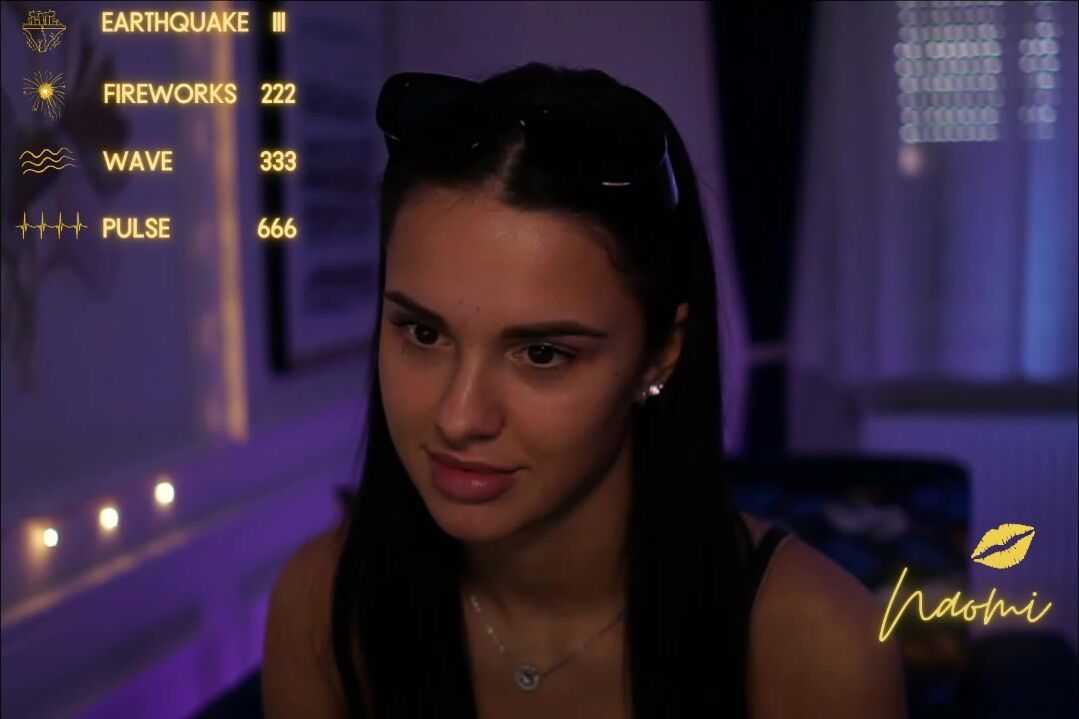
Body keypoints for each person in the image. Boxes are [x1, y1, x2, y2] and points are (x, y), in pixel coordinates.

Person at [262, 62, 907, 718]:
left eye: (542, 354)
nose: (459, 416)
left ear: (660, 354)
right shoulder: (325, 605)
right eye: (423, 333)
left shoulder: (818, 645)